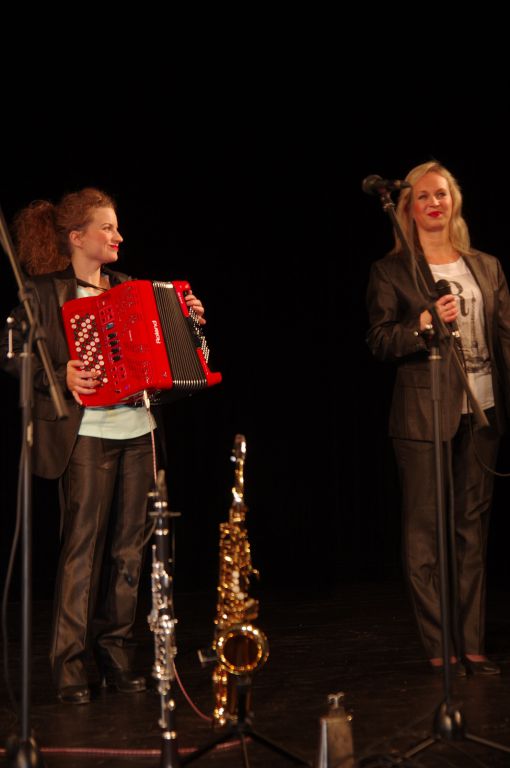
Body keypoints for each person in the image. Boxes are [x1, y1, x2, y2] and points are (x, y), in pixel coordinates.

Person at [1, 188, 206, 703]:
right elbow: (11, 351)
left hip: (139, 429)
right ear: (77, 237)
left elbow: (162, 352)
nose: (118, 236)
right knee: (82, 550)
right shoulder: (44, 291)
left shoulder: (132, 288)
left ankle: (116, 653)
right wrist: (59, 375)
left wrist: (186, 318)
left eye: (117, 227)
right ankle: (70, 664)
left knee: (130, 551)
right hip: (87, 433)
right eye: (107, 227)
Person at [366, 161, 510, 676]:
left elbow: (504, 339)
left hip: (482, 410)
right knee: (426, 533)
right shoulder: (392, 271)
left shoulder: (486, 266)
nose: (434, 203)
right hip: (423, 416)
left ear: (455, 201)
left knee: (472, 532)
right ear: (407, 208)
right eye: (423, 196)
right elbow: (380, 340)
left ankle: (471, 643)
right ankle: (439, 644)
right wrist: (422, 323)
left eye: (442, 194)